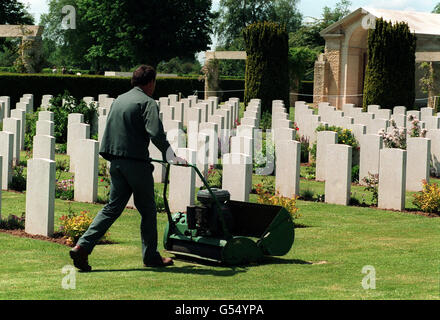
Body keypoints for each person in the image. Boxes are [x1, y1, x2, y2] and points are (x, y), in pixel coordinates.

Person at [69, 65, 186, 272]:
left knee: (112, 208)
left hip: (116, 162)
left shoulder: (120, 99)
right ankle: (150, 257)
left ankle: (82, 246)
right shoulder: (147, 102)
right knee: (148, 211)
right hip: (136, 164)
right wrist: (171, 156)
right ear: (150, 82)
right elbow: (155, 132)